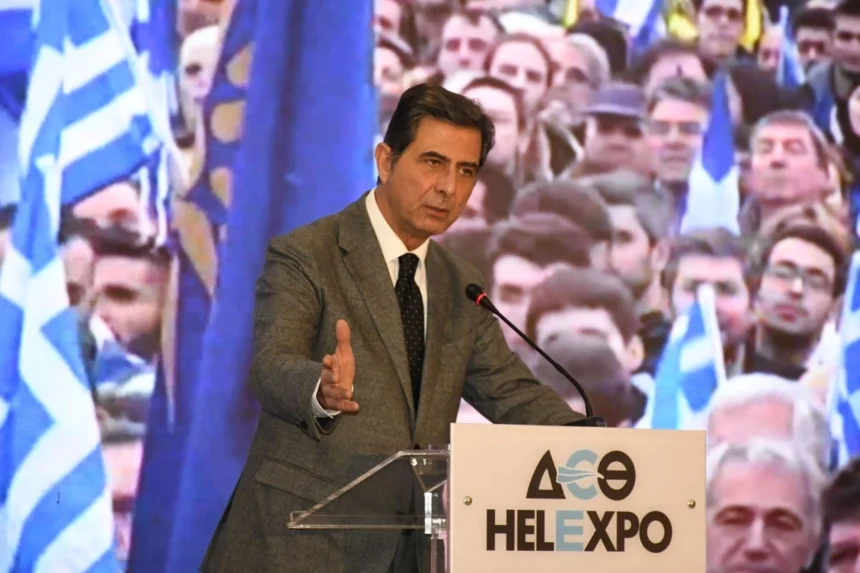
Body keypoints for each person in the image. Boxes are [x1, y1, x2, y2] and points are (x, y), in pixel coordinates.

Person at [202, 83, 585, 573]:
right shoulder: (307, 254)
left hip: (408, 554)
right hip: (298, 547)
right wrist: (320, 389)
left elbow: (511, 393)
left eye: (466, 171)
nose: (448, 187)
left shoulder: (460, 285)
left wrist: (601, 448)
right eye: (433, 163)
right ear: (386, 161)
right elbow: (271, 365)